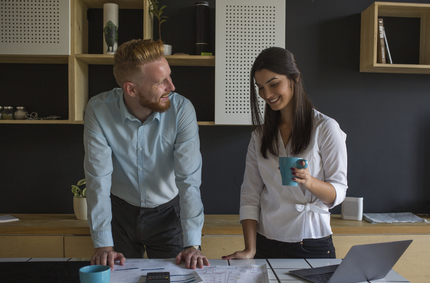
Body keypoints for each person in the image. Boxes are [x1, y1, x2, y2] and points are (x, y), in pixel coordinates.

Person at [83, 39, 209, 270]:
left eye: (169, 76)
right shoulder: (98, 109)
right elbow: (98, 178)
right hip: (120, 214)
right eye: (161, 82)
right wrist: (102, 244)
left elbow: (189, 180)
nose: (172, 87)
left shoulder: (182, 110)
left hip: (168, 215)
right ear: (131, 89)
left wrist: (193, 244)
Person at [223, 47, 348, 260]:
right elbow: (250, 194)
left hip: (312, 242)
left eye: (273, 84)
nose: (267, 95)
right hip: (266, 242)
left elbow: (339, 191)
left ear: (295, 79)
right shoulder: (260, 135)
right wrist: (250, 249)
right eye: (260, 88)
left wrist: (309, 181)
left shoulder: (325, 128)